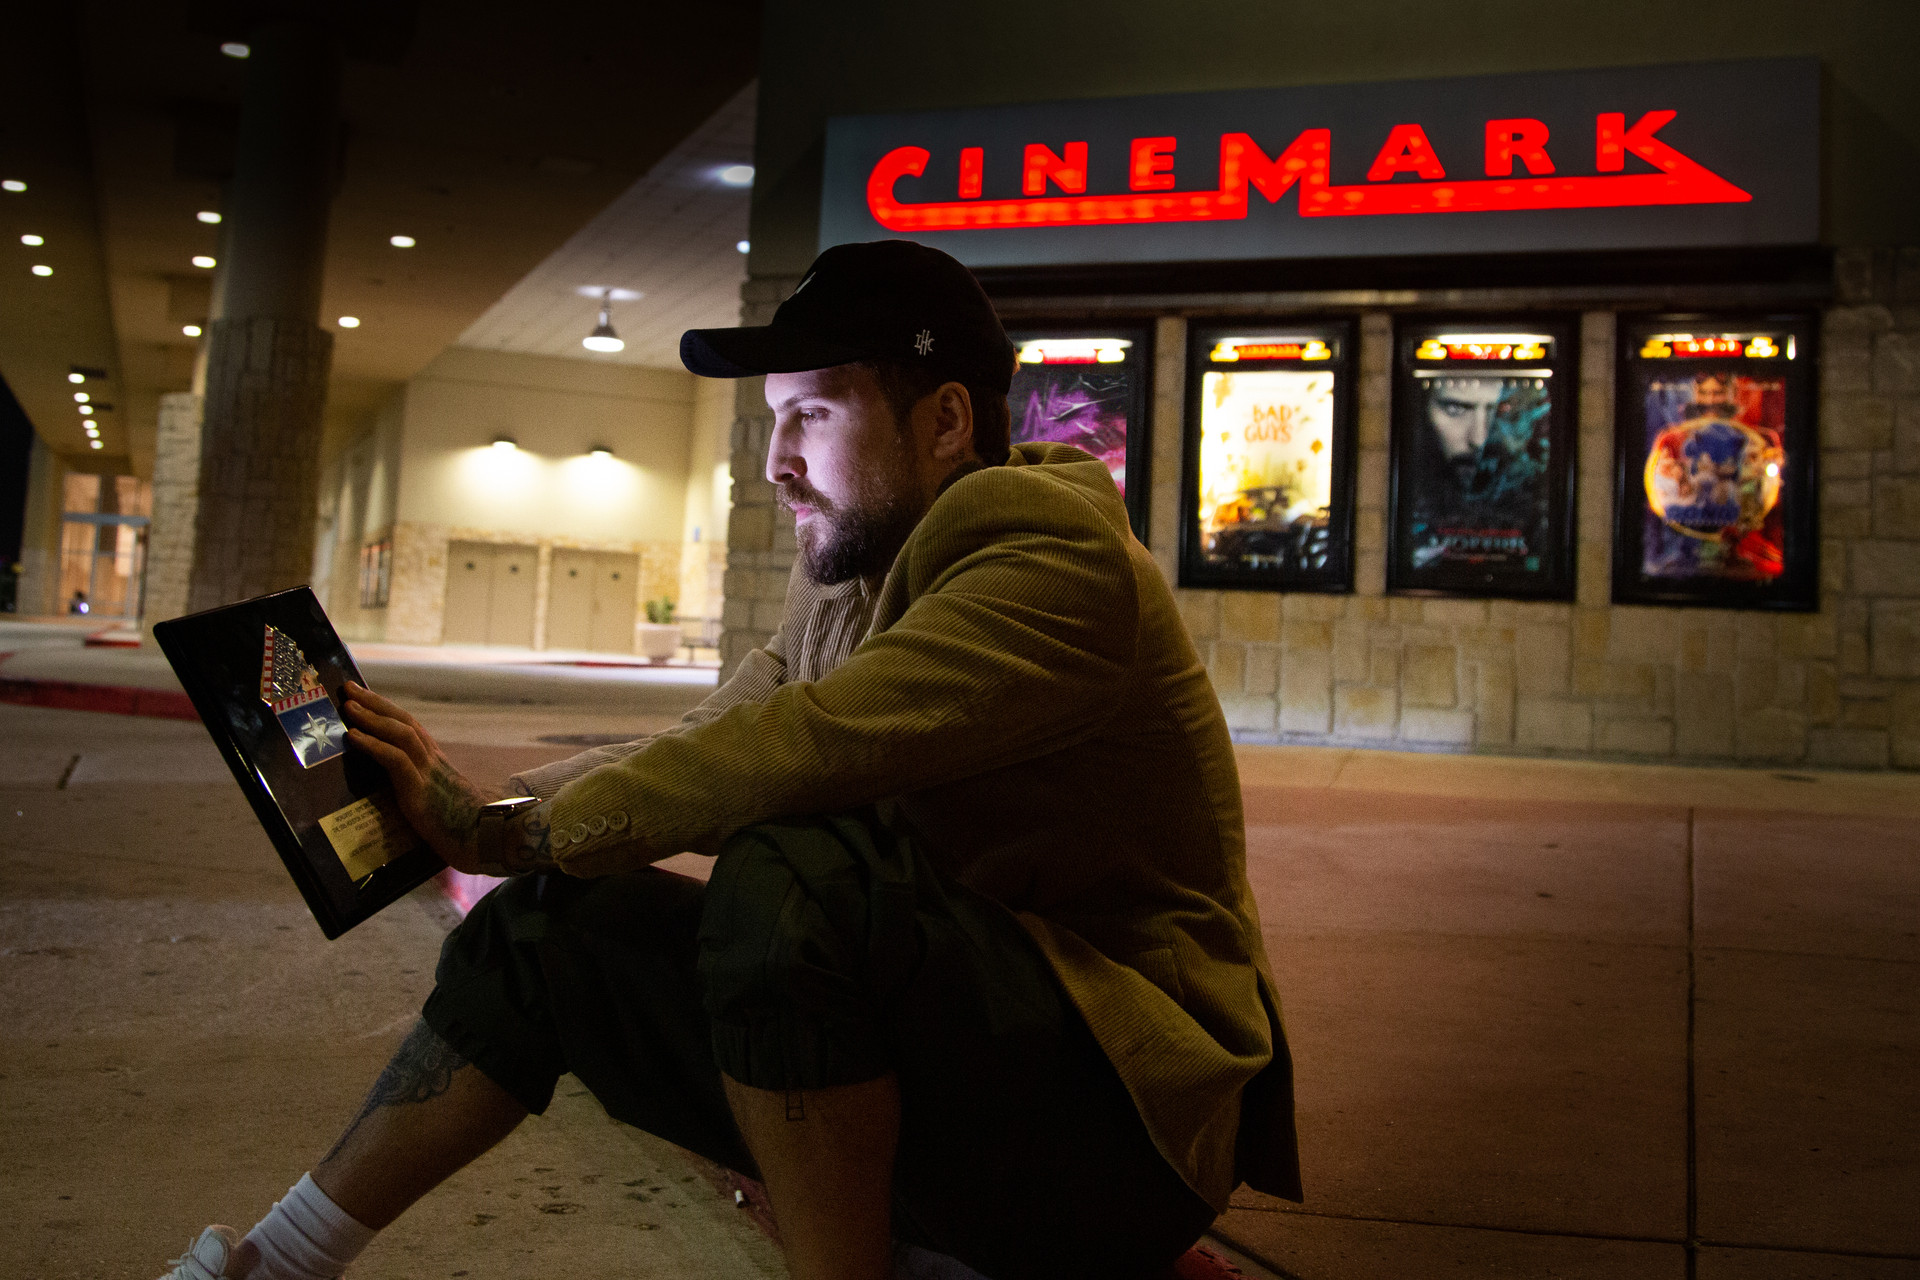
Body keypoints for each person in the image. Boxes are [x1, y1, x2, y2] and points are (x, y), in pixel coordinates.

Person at [157, 240, 1300, 1280]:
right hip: (968, 1057)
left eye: (809, 415)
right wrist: (477, 807)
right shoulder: (852, 568)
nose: (775, 464)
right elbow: (709, 737)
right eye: (770, 421)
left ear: (947, 420)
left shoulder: (1050, 554)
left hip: (1122, 1123)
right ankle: (277, 1262)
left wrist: (496, 829)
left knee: (793, 868)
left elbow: (800, 748)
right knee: (548, 927)